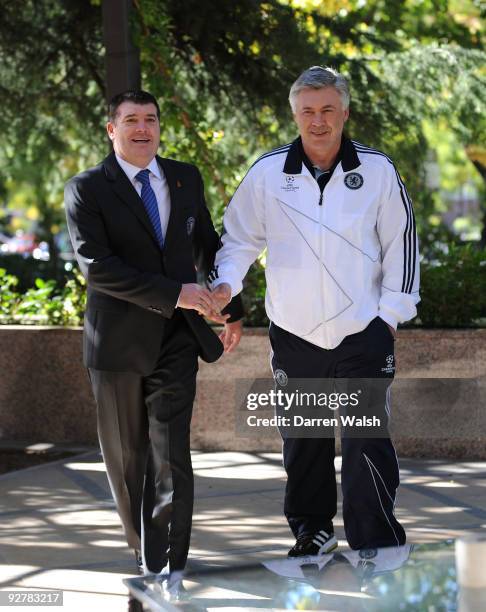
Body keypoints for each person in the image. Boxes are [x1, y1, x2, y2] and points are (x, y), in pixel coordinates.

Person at [210, 66, 420, 555]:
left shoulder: (378, 171)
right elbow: (239, 238)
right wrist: (224, 284)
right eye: (308, 111)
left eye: (327, 110)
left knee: (366, 440)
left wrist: (388, 317)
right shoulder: (267, 173)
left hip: (362, 332)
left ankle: (376, 541)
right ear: (295, 114)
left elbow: (401, 243)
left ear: (344, 112)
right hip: (294, 332)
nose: (318, 121)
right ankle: (313, 531)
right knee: (303, 439)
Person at [64, 90, 243, 579]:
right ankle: (143, 551)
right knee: (127, 461)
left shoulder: (185, 176)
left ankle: (171, 564)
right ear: (112, 129)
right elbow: (98, 268)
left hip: (177, 338)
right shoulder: (87, 188)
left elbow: (205, 242)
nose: (142, 128)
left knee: (171, 454)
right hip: (117, 345)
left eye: (150, 119)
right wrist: (176, 293)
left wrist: (234, 307)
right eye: (130, 120)